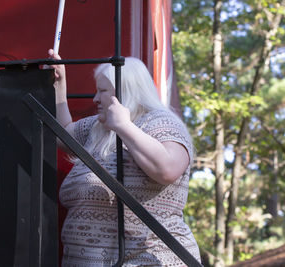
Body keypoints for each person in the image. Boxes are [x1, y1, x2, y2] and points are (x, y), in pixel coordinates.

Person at [48, 49, 201, 266]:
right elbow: (62, 132)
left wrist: (124, 126)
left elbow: (167, 169)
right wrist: (59, 84)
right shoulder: (99, 127)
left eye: (102, 91)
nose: (95, 98)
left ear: (125, 92)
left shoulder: (161, 122)